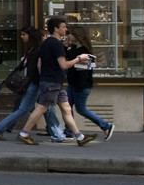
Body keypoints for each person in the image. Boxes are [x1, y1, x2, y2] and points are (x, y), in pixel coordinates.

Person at [17, 16, 95, 146]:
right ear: (56, 29)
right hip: (52, 82)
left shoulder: (46, 43)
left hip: (53, 81)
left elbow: (39, 64)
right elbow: (64, 65)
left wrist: (44, 77)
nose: (66, 29)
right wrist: (79, 59)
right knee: (42, 107)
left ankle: (80, 137)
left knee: (66, 108)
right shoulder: (56, 44)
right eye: (63, 27)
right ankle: (24, 133)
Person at [0, 26, 63, 142]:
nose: (21, 37)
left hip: (34, 83)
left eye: (24, 34)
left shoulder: (32, 50)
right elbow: (35, 68)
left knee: (45, 109)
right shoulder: (36, 50)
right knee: (36, 109)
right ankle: (0, 128)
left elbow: (23, 66)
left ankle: (58, 135)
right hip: (38, 83)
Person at [65, 26, 114, 141]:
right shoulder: (73, 49)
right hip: (72, 84)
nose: (69, 35)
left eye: (71, 34)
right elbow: (66, 61)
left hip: (80, 86)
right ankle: (68, 131)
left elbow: (83, 72)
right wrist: (65, 46)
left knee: (81, 109)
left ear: (78, 36)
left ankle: (106, 125)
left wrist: (79, 87)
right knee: (67, 108)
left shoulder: (84, 52)